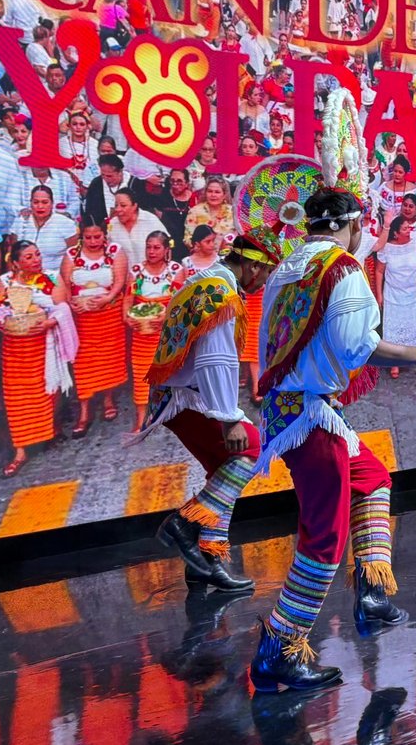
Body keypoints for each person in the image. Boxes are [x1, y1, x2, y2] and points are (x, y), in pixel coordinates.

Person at [248, 188, 416, 693]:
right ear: (356, 225)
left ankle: (372, 594)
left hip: (297, 408)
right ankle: (279, 647)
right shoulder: (342, 268)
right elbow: (356, 349)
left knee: (373, 478)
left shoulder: (288, 267)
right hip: (309, 416)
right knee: (324, 538)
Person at [146, 232, 278, 593]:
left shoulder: (205, 280)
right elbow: (214, 360)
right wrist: (229, 417)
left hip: (178, 395)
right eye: (266, 273)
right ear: (252, 266)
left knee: (225, 470)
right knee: (251, 449)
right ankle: (184, 524)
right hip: (187, 398)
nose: (264, 282)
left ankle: (205, 562)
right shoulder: (221, 293)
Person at [0, 240, 77, 477]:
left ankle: (49, 431)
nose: (36, 260)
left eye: (38, 254)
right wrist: (3, 322)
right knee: (16, 397)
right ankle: (20, 450)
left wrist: (49, 322)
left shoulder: (51, 276)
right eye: (29, 257)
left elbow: (62, 306)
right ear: (16, 262)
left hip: (44, 345)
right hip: (15, 348)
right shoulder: (5, 282)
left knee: (47, 391)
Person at [62, 222, 128, 435]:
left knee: (108, 359)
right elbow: (65, 285)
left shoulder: (115, 251)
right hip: (82, 318)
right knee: (83, 363)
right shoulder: (72, 254)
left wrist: (107, 298)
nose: (92, 241)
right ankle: (84, 410)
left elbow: (120, 281)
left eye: (97, 237)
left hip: (108, 314)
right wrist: (73, 303)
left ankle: (108, 399)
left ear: (104, 234)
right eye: (88, 237)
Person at [126, 231, 184, 431]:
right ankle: (141, 417)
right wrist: (128, 318)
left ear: (166, 250)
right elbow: (128, 299)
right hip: (142, 332)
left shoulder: (175, 270)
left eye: (157, 247)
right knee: (141, 374)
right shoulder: (136, 271)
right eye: (148, 247)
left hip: (167, 331)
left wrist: (166, 316)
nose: (151, 251)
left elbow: (179, 301)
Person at [371, 214, 416, 379]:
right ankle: (394, 362)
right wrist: (379, 295)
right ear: (396, 233)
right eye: (405, 228)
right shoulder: (386, 248)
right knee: (393, 329)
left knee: (413, 326)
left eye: (409, 227)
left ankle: (413, 357)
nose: (409, 230)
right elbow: (379, 271)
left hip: (414, 294)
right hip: (393, 295)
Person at [12, 184, 77, 274]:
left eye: (45, 202)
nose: (40, 206)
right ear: (30, 203)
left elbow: (74, 255)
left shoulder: (65, 223)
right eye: (36, 202)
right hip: (24, 276)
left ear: (52, 203)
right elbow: (11, 254)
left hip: (56, 275)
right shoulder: (20, 221)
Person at [108, 188, 162, 267]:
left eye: (123, 205)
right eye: (116, 205)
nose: (118, 209)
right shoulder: (112, 224)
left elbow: (167, 245)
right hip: (121, 273)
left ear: (134, 206)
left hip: (148, 272)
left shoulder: (150, 220)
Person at [184, 176, 238, 249]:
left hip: (226, 253)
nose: (213, 195)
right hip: (201, 253)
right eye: (210, 191)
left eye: (217, 192)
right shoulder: (195, 211)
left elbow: (238, 237)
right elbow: (188, 239)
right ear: (205, 193)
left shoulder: (233, 212)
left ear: (224, 195)